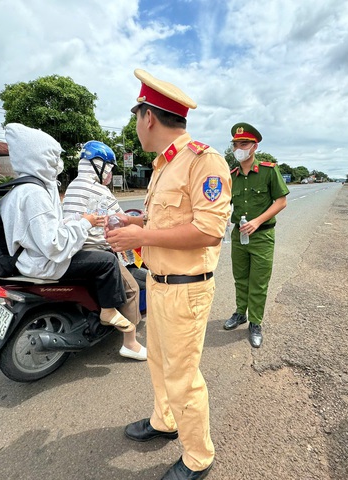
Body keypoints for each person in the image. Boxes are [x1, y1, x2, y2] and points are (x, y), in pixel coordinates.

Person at [106, 69, 231, 480]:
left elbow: (209, 230)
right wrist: (139, 222)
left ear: (149, 118)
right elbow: (169, 220)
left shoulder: (203, 159)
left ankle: (198, 456)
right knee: (158, 363)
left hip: (186, 289)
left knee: (182, 376)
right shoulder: (164, 165)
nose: (136, 125)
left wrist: (143, 233)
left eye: (136, 115)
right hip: (158, 285)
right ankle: (165, 421)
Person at [0, 123, 135, 333]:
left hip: (30, 258)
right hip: (45, 261)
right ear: (39, 157)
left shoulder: (18, 190)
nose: (58, 163)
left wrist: (73, 223)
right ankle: (126, 334)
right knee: (111, 266)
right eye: (53, 156)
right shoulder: (36, 194)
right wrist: (86, 222)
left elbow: (42, 230)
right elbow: (54, 245)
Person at [61, 140, 147, 361]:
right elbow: (121, 218)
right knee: (133, 289)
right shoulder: (99, 190)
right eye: (109, 167)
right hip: (95, 251)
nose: (109, 173)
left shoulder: (73, 185)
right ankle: (131, 342)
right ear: (98, 166)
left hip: (72, 249)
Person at [223, 122, 289, 348]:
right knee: (240, 278)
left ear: (254, 147)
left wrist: (257, 221)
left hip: (261, 237)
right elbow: (223, 203)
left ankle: (255, 322)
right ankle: (240, 312)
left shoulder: (269, 171)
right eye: (235, 144)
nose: (238, 148)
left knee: (258, 282)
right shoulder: (231, 175)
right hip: (238, 237)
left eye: (244, 143)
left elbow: (281, 201)